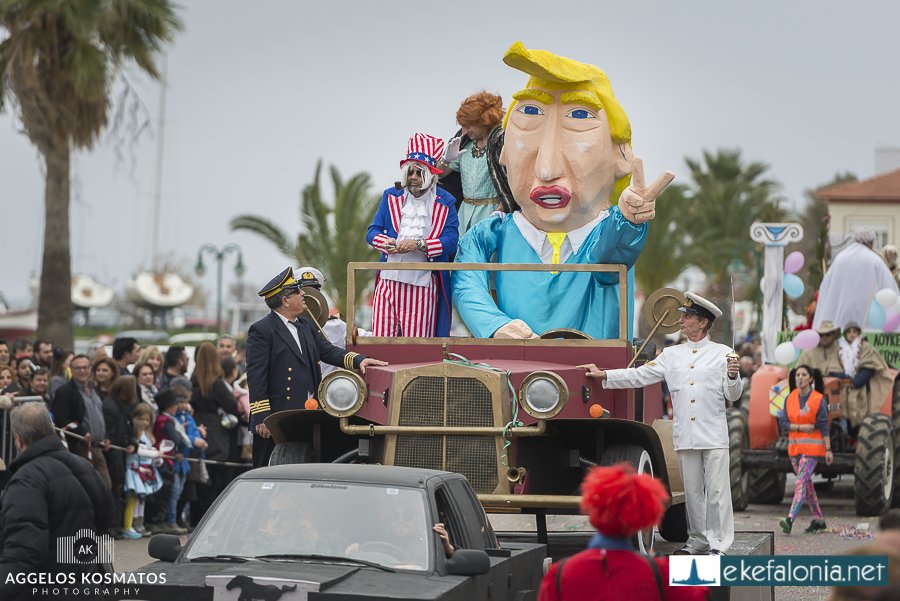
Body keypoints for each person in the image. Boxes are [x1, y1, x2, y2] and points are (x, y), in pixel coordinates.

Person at [453, 42, 673, 339]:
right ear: (503, 154)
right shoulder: (493, 233)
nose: (546, 170)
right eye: (530, 114)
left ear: (621, 158)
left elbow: (610, 258)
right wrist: (494, 325)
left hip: (592, 379)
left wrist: (629, 222)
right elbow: (466, 277)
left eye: (579, 117)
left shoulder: (604, 235)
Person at [578, 292, 742, 554]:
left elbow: (733, 395)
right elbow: (640, 375)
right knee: (692, 493)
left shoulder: (722, 354)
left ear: (702, 322)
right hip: (686, 433)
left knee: (718, 492)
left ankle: (719, 544)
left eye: (687, 317)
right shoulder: (672, 354)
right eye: (682, 316)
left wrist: (734, 377)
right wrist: (605, 374)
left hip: (713, 433)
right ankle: (697, 540)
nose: (681, 321)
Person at [246, 267, 388, 467]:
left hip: (304, 416)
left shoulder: (306, 326)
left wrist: (360, 360)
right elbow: (256, 376)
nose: (304, 293)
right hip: (276, 420)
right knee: (269, 473)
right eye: (297, 291)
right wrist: (262, 418)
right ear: (285, 300)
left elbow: (328, 351)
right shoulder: (262, 330)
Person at [539, 463, 707, 601]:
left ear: (593, 511)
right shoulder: (660, 573)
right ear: (645, 516)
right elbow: (700, 594)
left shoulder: (560, 574)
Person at [0, 403, 114, 601]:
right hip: (90, 583)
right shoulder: (84, 466)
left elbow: (24, 550)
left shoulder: (27, 479)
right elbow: (106, 518)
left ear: (18, 439)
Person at [367, 133, 459, 337]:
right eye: (410, 172)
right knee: (381, 341)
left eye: (419, 173)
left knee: (415, 347)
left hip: (422, 285)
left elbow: (452, 242)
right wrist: (386, 242)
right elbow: (372, 232)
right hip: (387, 282)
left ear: (431, 175)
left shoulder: (445, 202)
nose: (414, 178)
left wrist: (419, 244)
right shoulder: (391, 196)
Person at [437, 91, 506, 235]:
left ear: (483, 122)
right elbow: (440, 174)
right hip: (464, 213)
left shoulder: (503, 143)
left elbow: (511, 184)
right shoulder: (463, 143)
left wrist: (501, 210)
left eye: (468, 126)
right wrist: (446, 159)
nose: (464, 131)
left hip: (492, 213)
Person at [777, 365, 832, 534]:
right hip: (795, 449)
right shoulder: (789, 398)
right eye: (797, 375)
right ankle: (819, 519)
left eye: (804, 375)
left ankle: (790, 519)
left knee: (801, 482)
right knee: (807, 486)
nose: (800, 377)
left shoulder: (818, 399)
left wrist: (828, 449)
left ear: (811, 379)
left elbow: (823, 425)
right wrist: (800, 427)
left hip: (812, 450)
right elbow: (783, 423)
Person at [814, 230, 898, 331]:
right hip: (870, 322)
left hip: (839, 323)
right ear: (870, 243)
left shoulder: (841, 258)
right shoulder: (874, 259)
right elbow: (888, 287)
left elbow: (828, 286)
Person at [838, 321, 894, 426]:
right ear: (845, 334)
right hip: (844, 385)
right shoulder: (840, 349)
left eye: (854, 331)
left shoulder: (866, 347)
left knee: (861, 406)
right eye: (849, 332)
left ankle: (861, 426)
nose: (851, 334)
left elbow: (870, 366)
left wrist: (856, 382)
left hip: (863, 384)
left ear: (858, 333)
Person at [123, 402, 164, 538]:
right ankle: (129, 526)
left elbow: (150, 452)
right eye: (142, 419)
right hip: (134, 471)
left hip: (146, 471)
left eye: (147, 420)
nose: (144, 423)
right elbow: (139, 451)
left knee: (142, 499)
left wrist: (158, 458)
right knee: (133, 499)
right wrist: (155, 454)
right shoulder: (134, 436)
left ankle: (139, 524)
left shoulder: (147, 436)